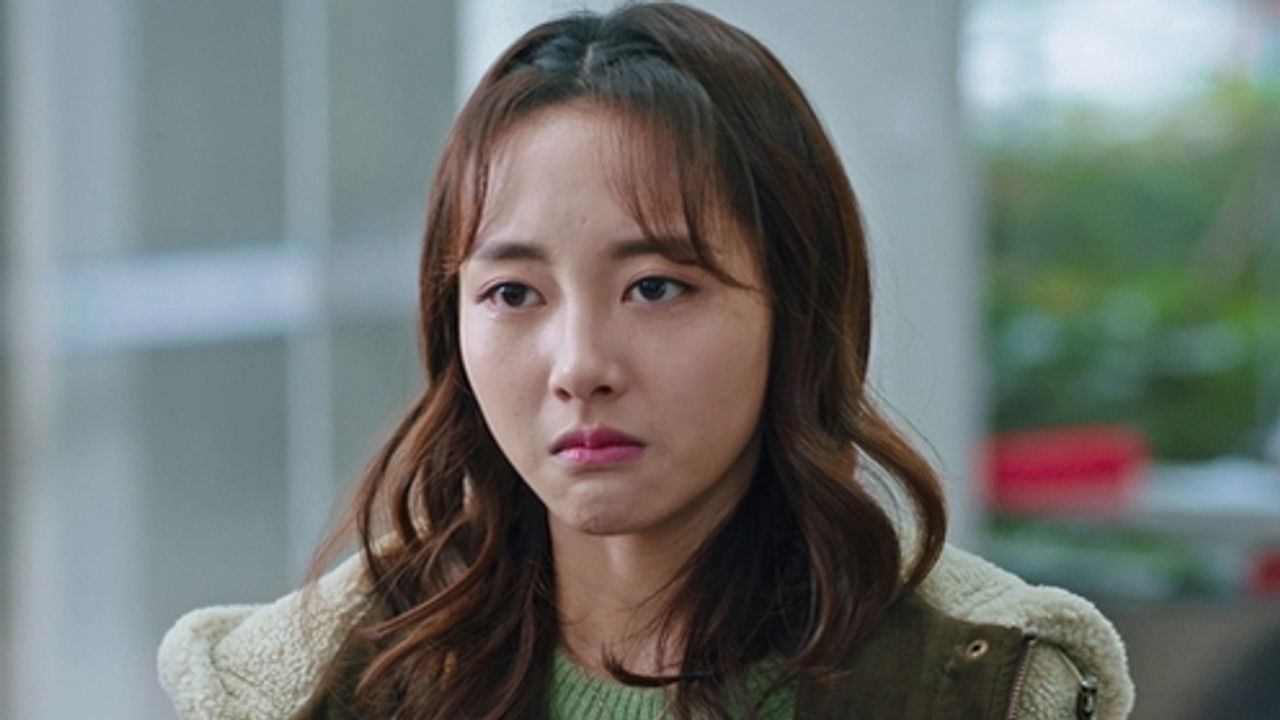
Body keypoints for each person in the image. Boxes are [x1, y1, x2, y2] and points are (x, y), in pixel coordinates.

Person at [157, 3, 1133, 718]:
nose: (579, 366)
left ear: (794, 308)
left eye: (656, 287)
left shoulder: (977, 684)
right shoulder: (319, 682)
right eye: (513, 294)